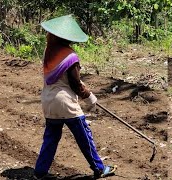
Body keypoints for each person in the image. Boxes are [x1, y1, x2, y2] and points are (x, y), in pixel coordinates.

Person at [34, 15, 116, 179]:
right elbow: (75, 84)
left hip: (48, 101)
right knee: (84, 138)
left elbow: (65, 77)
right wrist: (90, 97)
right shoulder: (71, 56)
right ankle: (99, 169)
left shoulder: (48, 52)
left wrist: (80, 83)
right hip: (66, 103)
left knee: (50, 139)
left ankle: (40, 173)